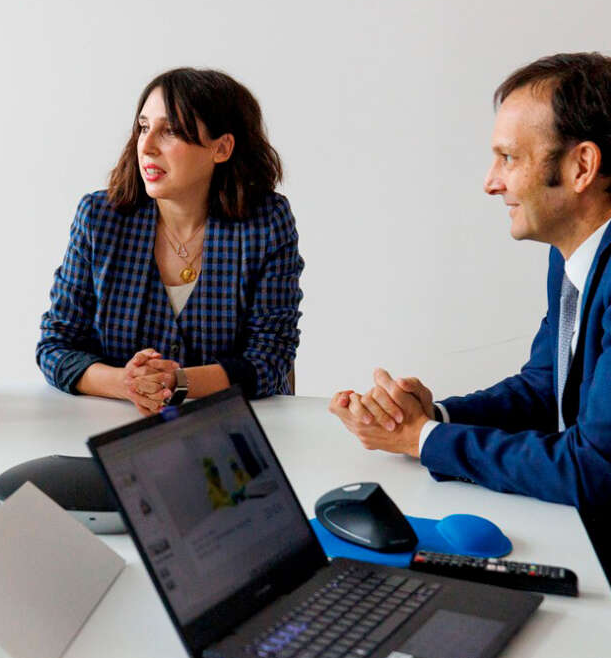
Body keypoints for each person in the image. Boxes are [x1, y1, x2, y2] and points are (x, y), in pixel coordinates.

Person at [329, 52, 611, 512]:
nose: (490, 182)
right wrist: (431, 417)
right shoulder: (572, 257)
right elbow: (546, 389)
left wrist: (422, 440)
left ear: (581, 167)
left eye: (508, 157)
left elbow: (595, 470)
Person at [37, 68, 303, 415]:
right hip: (115, 426)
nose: (145, 146)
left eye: (170, 131)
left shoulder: (265, 222)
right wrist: (126, 383)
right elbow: (56, 346)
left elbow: (271, 357)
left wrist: (175, 382)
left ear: (221, 148)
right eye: (144, 127)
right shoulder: (99, 217)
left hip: (237, 429)